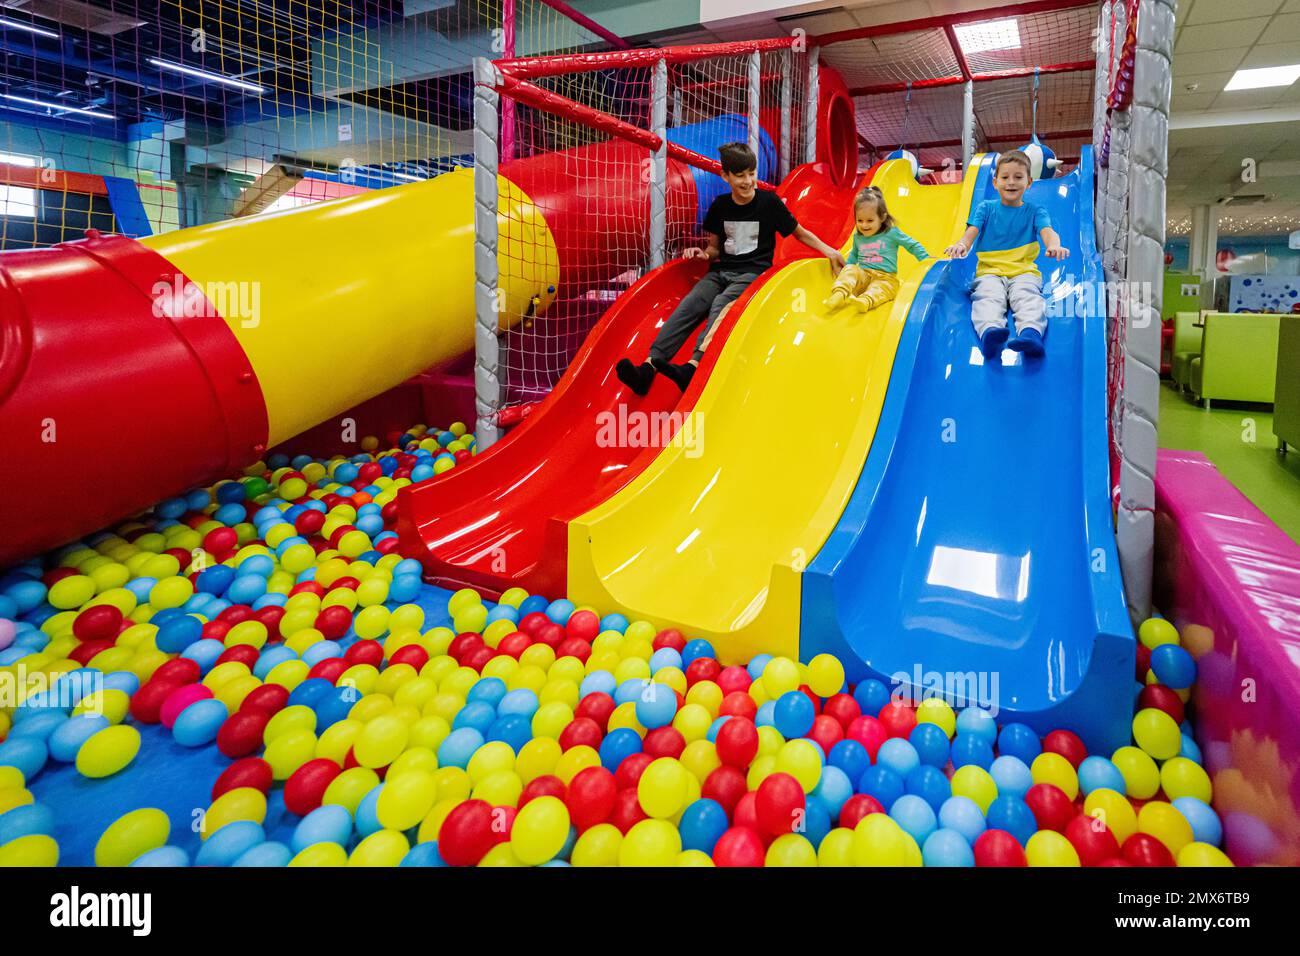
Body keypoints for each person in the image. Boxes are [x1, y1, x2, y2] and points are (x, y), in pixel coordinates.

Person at [616, 142, 846, 395]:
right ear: (725, 176)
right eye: (740, 175)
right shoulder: (720, 206)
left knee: (721, 306)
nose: (748, 181)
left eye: (751, 173)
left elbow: (800, 234)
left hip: (752, 275)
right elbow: (714, 248)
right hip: (718, 273)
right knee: (688, 307)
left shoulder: (769, 203)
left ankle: (694, 367)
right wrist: (702, 254)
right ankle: (648, 369)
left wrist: (831, 251)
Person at [943, 150, 1068, 359]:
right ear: (995, 182)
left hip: (1023, 271)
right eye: (1005, 177)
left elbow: (1048, 232)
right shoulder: (986, 208)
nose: (1011, 182)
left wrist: (1055, 245)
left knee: (1027, 296)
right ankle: (990, 333)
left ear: (1029, 182)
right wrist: (962, 245)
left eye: (1018, 177)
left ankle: (1031, 334)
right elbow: (971, 232)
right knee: (987, 297)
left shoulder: (1036, 211)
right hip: (990, 272)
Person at [824, 185, 929, 311]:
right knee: (851, 269)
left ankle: (865, 301)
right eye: (860, 220)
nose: (864, 225)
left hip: (885, 278)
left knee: (882, 288)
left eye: (870, 220)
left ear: (882, 218)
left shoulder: (891, 233)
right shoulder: (858, 237)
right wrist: (846, 272)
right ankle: (839, 293)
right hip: (864, 277)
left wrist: (926, 260)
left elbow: (912, 245)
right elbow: (853, 256)